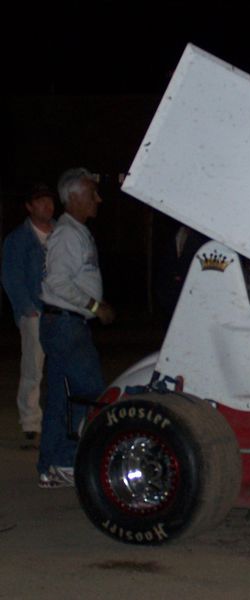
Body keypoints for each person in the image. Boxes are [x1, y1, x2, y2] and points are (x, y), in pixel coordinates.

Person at [37, 168, 115, 488]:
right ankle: (68, 460)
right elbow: (57, 281)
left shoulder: (75, 231)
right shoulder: (68, 234)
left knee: (60, 397)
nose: (98, 198)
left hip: (65, 323)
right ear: (74, 198)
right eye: (92, 193)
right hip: (66, 324)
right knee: (91, 392)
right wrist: (96, 306)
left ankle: (52, 466)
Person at [1, 184, 56, 448]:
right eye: (40, 201)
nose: (47, 205)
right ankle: (31, 422)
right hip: (35, 311)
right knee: (33, 368)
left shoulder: (62, 233)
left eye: (49, 200)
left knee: (61, 366)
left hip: (59, 310)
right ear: (29, 207)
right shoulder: (18, 239)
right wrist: (27, 309)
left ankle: (59, 420)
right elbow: (11, 277)